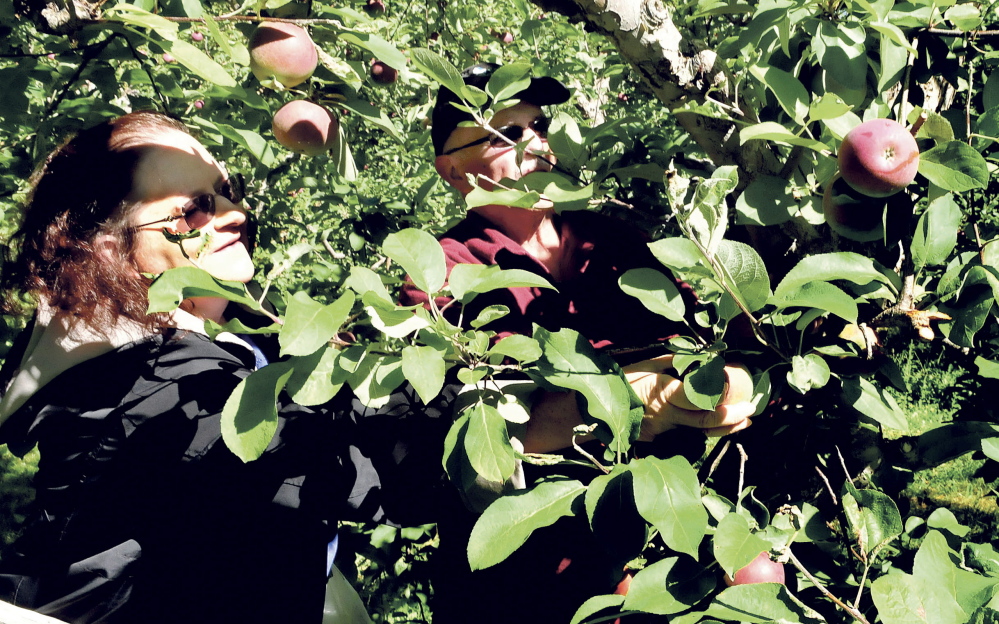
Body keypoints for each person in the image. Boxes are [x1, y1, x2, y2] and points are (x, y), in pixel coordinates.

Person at [0, 111, 647, 624]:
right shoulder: (151, 392)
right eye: (191, 208)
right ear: (107, 241)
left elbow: (349, 406)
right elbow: (364, 448)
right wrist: (614, 403)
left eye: (227, 195)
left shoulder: (201, 353)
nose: (233, 216)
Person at [400, 64, 755, 623]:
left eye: (539, 125)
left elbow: (707, 335)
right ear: (454, 171)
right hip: (535, 580)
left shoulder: (613, 241)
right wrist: (631, 401)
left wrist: (734, 375)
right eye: (507, 134)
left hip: (670, 552)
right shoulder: (441, 271)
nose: (536, 142)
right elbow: (479, 432)